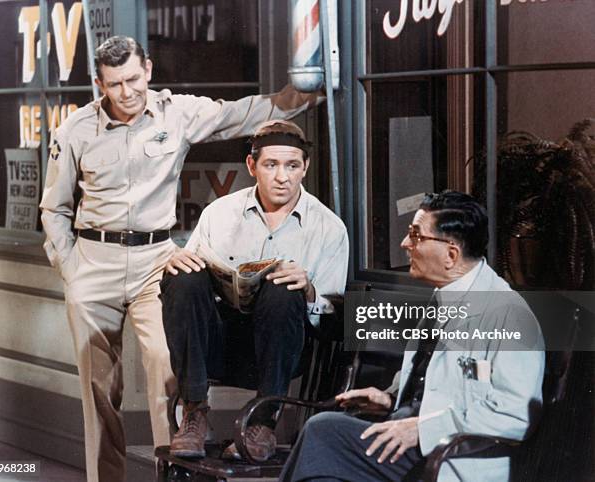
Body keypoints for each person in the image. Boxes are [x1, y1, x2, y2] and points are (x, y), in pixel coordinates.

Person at [39, 35, 322, 482]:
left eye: (134, 79)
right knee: (98, 391)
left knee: (168, 373)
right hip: (93, 260)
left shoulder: (179, 112)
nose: (127, 92)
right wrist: (71, 269)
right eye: (114, 85)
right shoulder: (75, 130)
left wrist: (297, 98)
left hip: (155, 258)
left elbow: (238, 114)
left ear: (148, 70)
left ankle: (171, 477)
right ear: (100, 84)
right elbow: (53, 209)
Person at [278, 191, 545, 482]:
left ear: (451, 254)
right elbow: (435, 385)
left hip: (449, 456)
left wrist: (421, 428)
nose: (405, 244)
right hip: (411, 441)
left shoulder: (509, 315)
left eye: (416, 236)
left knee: (323, 431)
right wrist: (390, 399)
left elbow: (516, 415)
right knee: (323, 472)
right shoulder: (443, 297)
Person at [160, 120, 349, 462]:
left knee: (283, 288)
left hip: (281, 353)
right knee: (182, 276)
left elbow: (335, 321)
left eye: (292, 166)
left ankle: (263, 422)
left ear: (304, 167)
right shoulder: (220, 213)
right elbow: (193, 294)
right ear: (252, 166)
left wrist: (308, 291)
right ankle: (195, 412)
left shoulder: (328, 227)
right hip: (221, 348)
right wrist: (181, 263)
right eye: (271, 165)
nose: (282, 177)